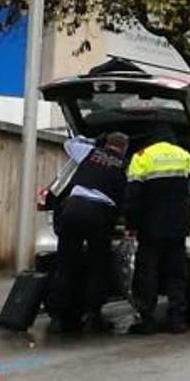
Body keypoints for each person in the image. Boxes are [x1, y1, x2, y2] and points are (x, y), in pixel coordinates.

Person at [49, 132, 129, 333]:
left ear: (107, 143)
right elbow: (129, 196)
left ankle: (60, 317)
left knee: (65, 264)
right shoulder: (125, 165)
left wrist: (96, 140)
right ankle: (93, 315)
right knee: (97, 266)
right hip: (100, 215)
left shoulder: (89, 152)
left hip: (72, 209)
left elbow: (69, 143)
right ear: (124, 148)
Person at [125, 125, 190, 335]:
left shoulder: (141, 156)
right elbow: (189, 193)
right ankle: (177, 320)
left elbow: (133, 196)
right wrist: (188, 223)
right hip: (177, 226)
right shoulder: (184, 155)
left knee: (148, 272)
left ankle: (147, 320)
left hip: (151, 226)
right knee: (176, 274)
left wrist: (131, 224)